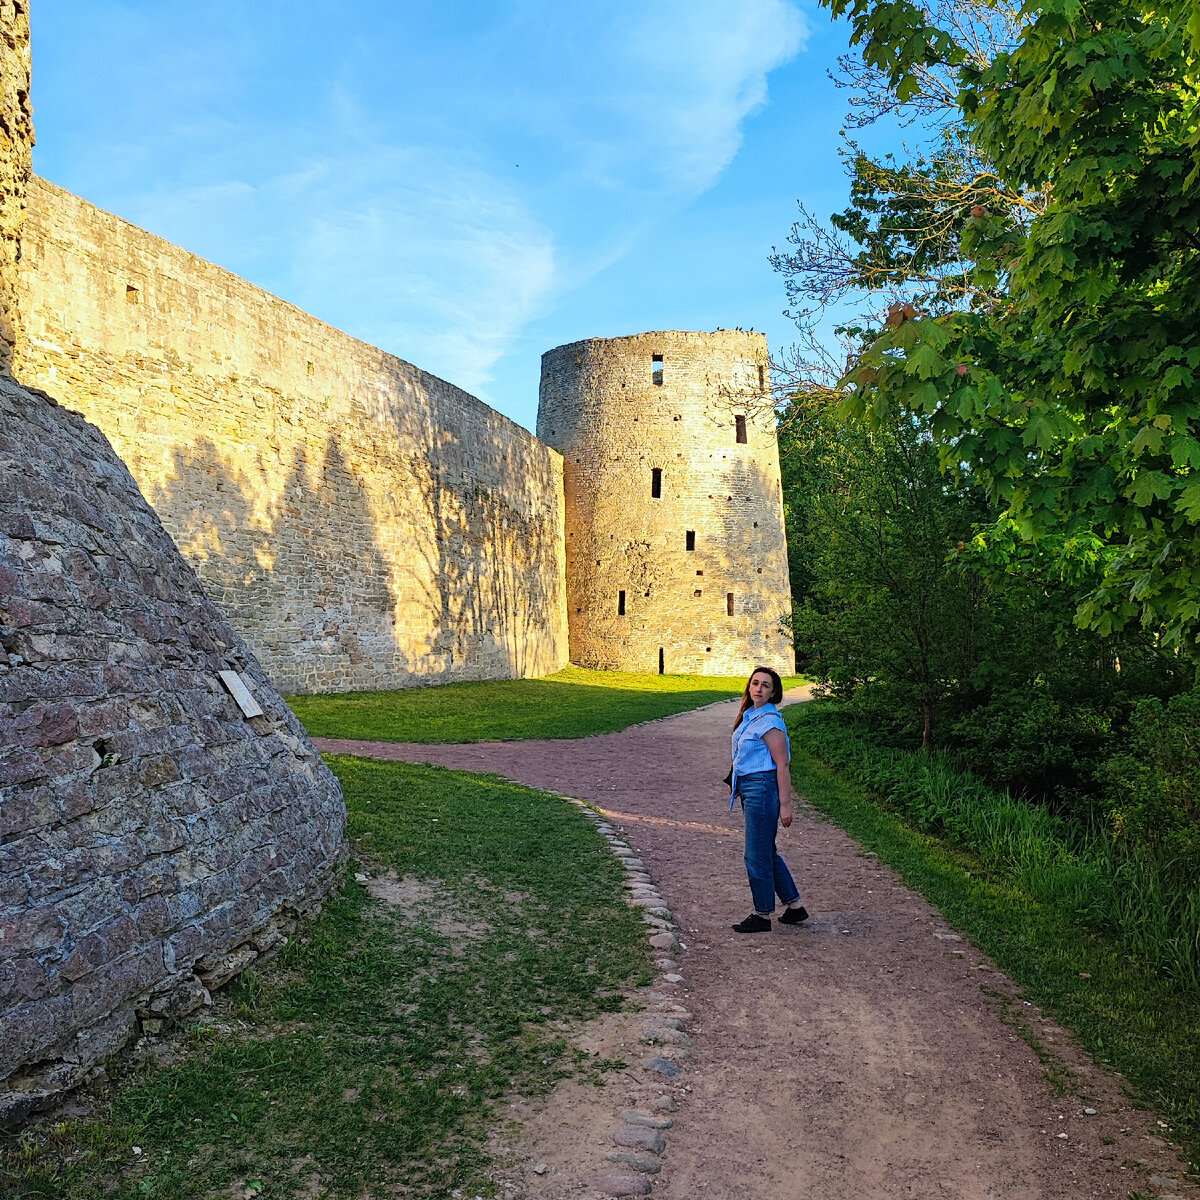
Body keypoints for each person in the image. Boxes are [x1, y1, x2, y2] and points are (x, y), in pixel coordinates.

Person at [728, 665, 808, 933]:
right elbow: (743, 753)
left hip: (763, 789)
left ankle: (761, 915)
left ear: (774, 692)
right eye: (755, 683)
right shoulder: (751, 716)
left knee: (755, 855)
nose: (758, 689)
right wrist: (735, 781)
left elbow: (782, 764)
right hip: (751, 787)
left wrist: (786, 805)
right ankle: (795, 908)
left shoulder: (770, 722)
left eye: (765, 685)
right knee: (765, 851)